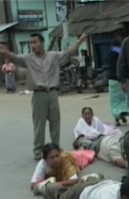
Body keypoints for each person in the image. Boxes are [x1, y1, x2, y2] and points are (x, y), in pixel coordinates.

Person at [0, 32, 88, 160]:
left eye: (35, 42)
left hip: (52, 93)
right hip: (38, 94)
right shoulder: (28, 59)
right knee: (39, 124)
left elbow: (68, 53)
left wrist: (79, 41)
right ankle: (38, 151)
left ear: (41, 43)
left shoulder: (53, 56)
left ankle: (55, 148)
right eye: (31, 43)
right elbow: (14, 58)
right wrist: (5, 52)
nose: (32, 45)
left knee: (55, 123)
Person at [108, 37, 129, 126]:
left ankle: (116, 118)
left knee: (114, 100)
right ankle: (122, 114)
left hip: (112, 80)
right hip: (121, 79)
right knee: (124, 98)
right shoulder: (122, 53)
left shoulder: (109, 54)